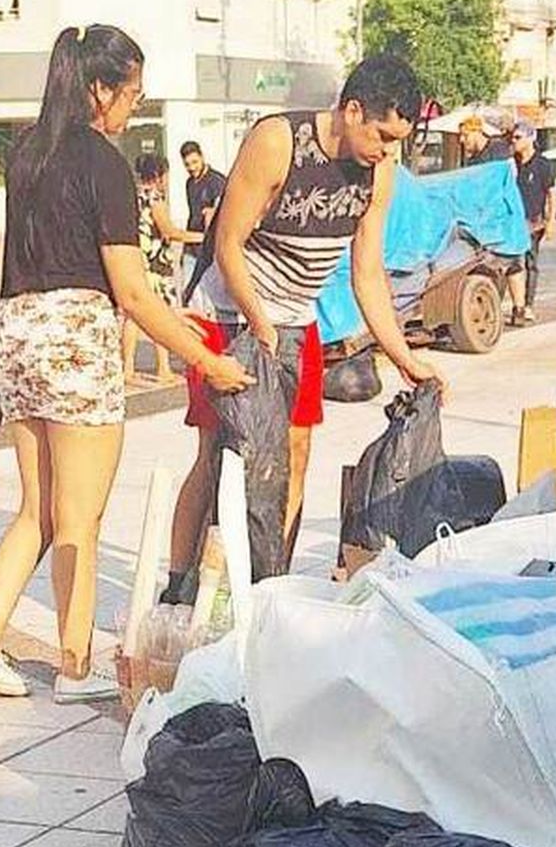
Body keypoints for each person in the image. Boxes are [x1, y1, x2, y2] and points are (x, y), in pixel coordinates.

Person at [0, 25, 251, 703]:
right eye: (130, 94)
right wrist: (206, 358)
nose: (132, 109)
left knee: (38, 510)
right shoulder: (104, 164)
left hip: (18, 333)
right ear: (98, 87)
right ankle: (75, 667)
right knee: (81, 519)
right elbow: (134, 290)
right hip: (77, 338)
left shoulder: (26, 152)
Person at [166, 54, 442, 594]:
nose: (387, 151)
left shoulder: (379, 173)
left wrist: (406, 358)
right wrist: (259, 324)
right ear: (352, 110)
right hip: (229, 315)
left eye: (397, 142)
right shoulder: (278, 142)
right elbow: (228, 244)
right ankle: (182, 580)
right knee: (222, 454)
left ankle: (271, 582)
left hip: (296, 318)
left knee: (293, 453)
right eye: (382, 135)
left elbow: (367, 274)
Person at [121, 153, 192, 387]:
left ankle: (127, 368)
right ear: (159, 174)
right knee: (161, 315)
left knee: (132, 319)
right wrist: (201, 236)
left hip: (137, 262)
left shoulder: (131, 196)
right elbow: (169, 231)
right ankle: (164, 368)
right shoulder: (155, 198)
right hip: (156, 265)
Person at [507, 121, 555, 327]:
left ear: (530, 138)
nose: (514, 141)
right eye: (513, 137)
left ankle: (528, 305)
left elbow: (551, 194)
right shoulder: (512, 164)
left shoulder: (542, 165)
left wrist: (551, 221)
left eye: (518, 137)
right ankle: (515, 302)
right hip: (513, 221)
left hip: (534, 222)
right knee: (512, 262)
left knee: (530, 263)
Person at [181, 140, 227, 236]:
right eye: (187, 164)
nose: (192, 168)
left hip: (210, 240)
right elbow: (192, 215)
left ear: (202, 157)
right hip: (194, 240)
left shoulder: (216, 181)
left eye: (195, 162)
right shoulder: (189, 183)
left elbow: (223, 214)